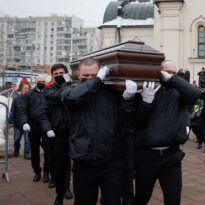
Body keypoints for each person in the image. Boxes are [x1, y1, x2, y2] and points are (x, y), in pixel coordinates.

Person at [61, 58, 144, 205]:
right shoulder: (69, 91)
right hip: (84, 160)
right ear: (79, 74)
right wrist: (97, 80)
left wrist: (127, 99)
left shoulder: (111, 93)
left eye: (94, 75)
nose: (90, 79)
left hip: (111, 160)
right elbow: (72, 98)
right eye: (86, 76)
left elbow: (126, 121)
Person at [134, 60, 201, 205]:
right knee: (141, 197)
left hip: (171, 156)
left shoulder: (179, 92)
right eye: (168, 72)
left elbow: (195, 93)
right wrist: (146, 102)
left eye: (174, 73)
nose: (170, 76)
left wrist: (173, 79)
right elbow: (138, 121)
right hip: (147, 157)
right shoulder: (148, 90)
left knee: (173, 199)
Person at [42, 63, 73, 204]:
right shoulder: (49, 91)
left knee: (72, 164)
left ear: (66, 73)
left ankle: (67, 188)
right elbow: (61, 95)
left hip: (74, 131)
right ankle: (60, 193)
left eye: (61, 73)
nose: (59, 75)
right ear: (52, 76)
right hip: (58, 133)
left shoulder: (74, 87)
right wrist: (48, 128)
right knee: (61, 163)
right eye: (56, 74)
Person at [18, 75, 54, 183]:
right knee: (34, 150)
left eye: (43, 81)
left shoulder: (49, 93)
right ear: (35, 81)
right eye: (39, 81)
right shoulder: (29, 94)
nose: (41, 82)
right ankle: (37, 171)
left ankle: (47, 172)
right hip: (34, 126)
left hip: (47, 126)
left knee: (48, 149)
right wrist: (25, 122)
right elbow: (22, 109)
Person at [9, 82, 31, 159]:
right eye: (24, 88)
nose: (26, 89)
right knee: (16, 139)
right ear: (21, 89)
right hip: (18, 122)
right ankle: (16, 150)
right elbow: (12, 110)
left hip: (27, 123)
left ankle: (27, 153)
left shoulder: (31, 98)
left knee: (27, 139)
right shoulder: (16, 99)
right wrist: (10, 121)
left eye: (27, 88)